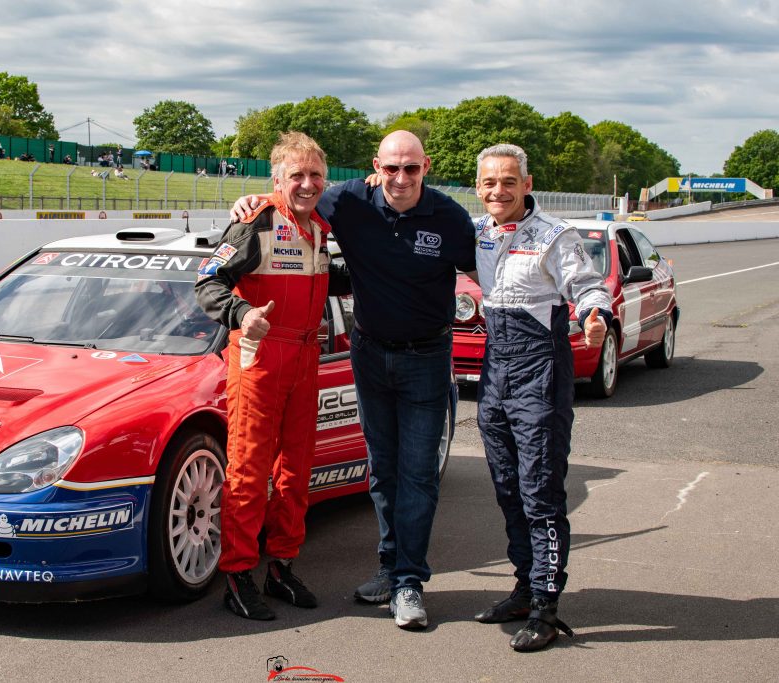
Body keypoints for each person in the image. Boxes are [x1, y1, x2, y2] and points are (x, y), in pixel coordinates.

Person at [232, 131, 477, 629]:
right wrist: (257, 203)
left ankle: (397, 579)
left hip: (417, 358)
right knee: (366, 474)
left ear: (426, 166)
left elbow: (489, 270)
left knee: (405, 474)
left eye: (411, 168)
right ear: (376, 167)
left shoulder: (443, 217)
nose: (401, 178)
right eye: (392, 168)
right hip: (328, 358)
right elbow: (216, 273)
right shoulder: (314, 208)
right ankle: (250, 576)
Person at [196, 131, 343, 621]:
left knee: (295, 469)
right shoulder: (255, 221)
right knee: (248, 470)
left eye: (315, 175)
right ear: (277, 179)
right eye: (295, 175)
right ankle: (237, 575)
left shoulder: (322, 228)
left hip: (305, 360)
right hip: (258, 358)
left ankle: (281, 565)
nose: (306, 183)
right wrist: (240, 314)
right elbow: (207, 281)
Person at [469, 143, 611, 652]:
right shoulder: (478, 232)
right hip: (494, 374)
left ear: (527, 185)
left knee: (540, 494)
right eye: (489, 182)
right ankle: (526, 587)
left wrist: (595, 318)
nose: (498, 191)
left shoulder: (555, 235)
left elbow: (590, 289)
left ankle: (548, 608)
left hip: (541, 374)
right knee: (507, 488)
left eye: (508, 181)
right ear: (478, 186)